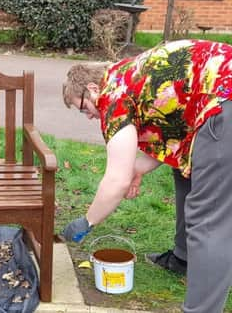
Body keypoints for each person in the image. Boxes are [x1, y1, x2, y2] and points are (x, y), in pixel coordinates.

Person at [61, 39, 232, 313]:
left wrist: (87, 222)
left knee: (209, 220)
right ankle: (183, 258)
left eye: (83, 108)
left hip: (224, 101)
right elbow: (172, 135)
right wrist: (137, 169)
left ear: (92, 89)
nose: (89, 117)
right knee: (184, 173)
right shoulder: (127, 78)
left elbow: (115, 180)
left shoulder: (113, 97)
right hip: (213, 101)